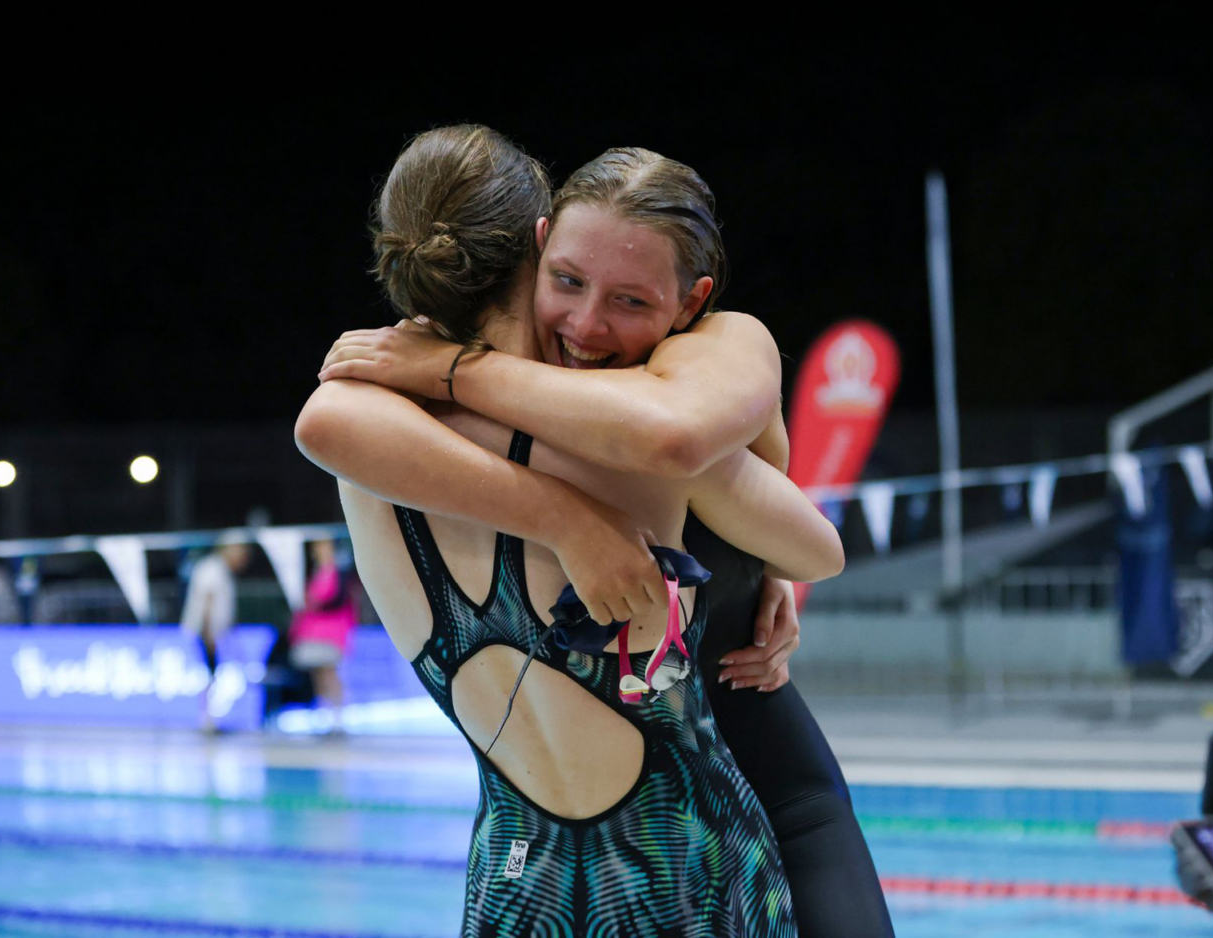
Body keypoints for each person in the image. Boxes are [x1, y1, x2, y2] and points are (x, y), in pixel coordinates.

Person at [316, 147, 895, 935]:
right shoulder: (421, 417)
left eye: (629, 300)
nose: (587, 327)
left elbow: (684, 443)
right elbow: (802, 535)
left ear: (693, 301)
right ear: (540, 245)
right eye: (567, 282)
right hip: (687, 860)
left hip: (529, 868)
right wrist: (567, 518)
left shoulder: (705, 361)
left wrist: (453, 370)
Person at [179, 539, 252, 732]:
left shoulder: (221, 570)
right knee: (207, 675)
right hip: (204, 632)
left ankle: (208, 719)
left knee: (211, 675)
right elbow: (207, 600)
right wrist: (208, 632)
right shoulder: (212, 569)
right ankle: (206, 720)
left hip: (213, 632)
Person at [288, 538, 358, 732]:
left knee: (330, 674)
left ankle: (338, 718)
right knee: (319, 675)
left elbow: (324, 599)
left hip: (330, 633)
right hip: (313, 633)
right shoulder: (318, 573)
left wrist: (310, 601)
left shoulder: (336, 573)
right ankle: (324, 716)